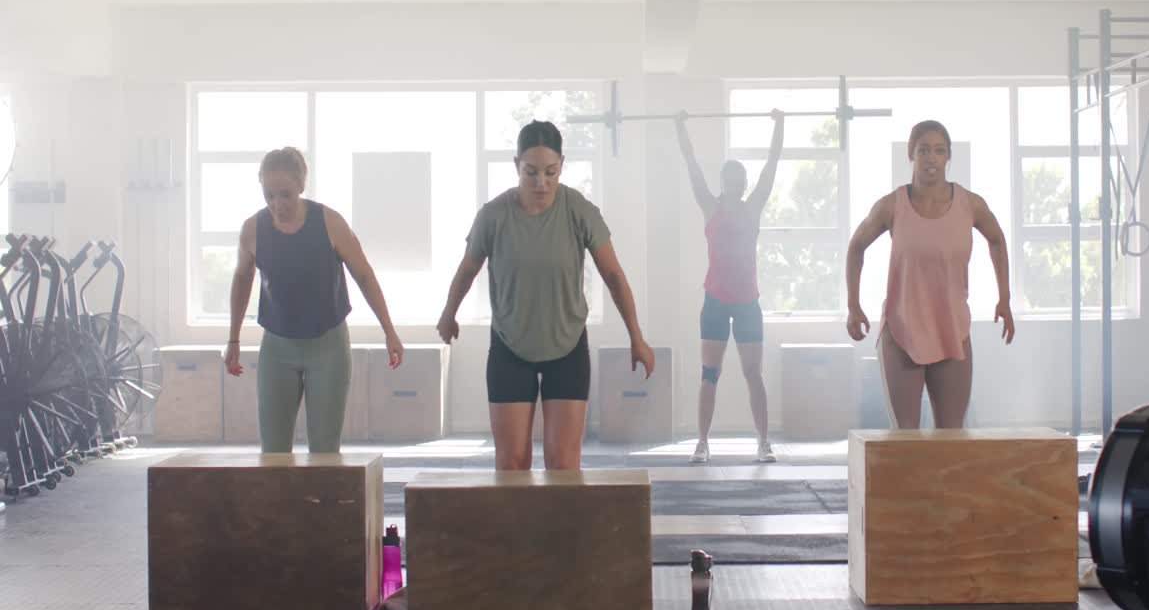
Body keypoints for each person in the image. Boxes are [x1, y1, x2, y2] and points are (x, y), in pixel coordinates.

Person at [436, 120, 655, 471]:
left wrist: (637, 337)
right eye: (531, 172)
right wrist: (449, 314)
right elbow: (467, 270)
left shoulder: (579, 211)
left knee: (564, 463)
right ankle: (514, 528)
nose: (542, 183)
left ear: (562, 166)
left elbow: (613, 274)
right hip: (510, 347)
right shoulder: (493, 216)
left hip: (567, 348)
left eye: (551, 172)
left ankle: (560, 529)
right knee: (512, 462)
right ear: (516, 165)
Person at [225, 147, 404, 453]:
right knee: (273, 449)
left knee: (324, 448)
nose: (277, 204)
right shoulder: (252, 229)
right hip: (278, 347)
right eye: (269, 195)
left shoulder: (330, 223)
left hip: (328, 345)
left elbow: (364, 276)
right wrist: (233, 340)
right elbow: (242, 279)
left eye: (285, 194)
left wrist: (389, 331)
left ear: (301, 186)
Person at [845, 120, 1014, 429]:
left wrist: (1005, 297)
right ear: (911, 155)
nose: (931, 158)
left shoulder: (970, 204)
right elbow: (856, 245)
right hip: (902, 330)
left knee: (950, 436)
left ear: (948, 157)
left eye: (939, 150)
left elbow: (997, 240)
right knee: (906, 438)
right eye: (923, 150)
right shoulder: (891, 206)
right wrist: (853, 305)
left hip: (951, 330)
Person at [675, 109, 784, 464]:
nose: (735, 184)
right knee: (710, 373)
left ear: (744, 183)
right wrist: (681, 127)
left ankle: (764, 442)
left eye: (740, 179)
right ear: (723, 182)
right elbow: (690, 164)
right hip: (717, 300)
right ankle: (702, 443)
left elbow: (772, 164)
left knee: (754, 373)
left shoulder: (754, 207)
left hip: (747, 301)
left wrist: (779, 125)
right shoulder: (710, 206)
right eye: (729, 179)